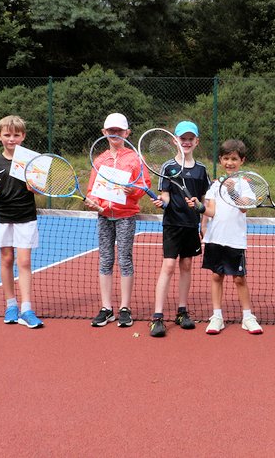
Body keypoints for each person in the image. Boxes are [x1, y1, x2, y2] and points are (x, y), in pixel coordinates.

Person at [85, 113, 151, 328]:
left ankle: (124, 307)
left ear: (127, 133)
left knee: (125, 259)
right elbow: (92, 189)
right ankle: (106, 308)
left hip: (125, 216)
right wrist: (93, 201)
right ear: (104, 133)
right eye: (111, 131)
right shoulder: (100, 160)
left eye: (119, 131)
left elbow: (144, 185)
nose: (115, 134)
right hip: (104, 216)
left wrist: (133, 190)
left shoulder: (135, 159)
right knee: (105, 260)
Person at [150, 120, 210, 337]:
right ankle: (157, 317)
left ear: (196, 142)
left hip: (191, 226)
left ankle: (182, 311)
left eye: (190, 139)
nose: (186, 142)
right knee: (168, 267)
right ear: (174, 141)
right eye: (182, 138)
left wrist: (203, 226)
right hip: (172, 225)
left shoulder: (202, 170)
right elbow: (165, 195)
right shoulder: (168, 167)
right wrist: (162, 203)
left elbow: (205, 199)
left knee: (186, 267)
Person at [0, 115, 43, 328]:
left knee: (24, 262)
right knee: (6, 259)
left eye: (16, 135)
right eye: (7, 135)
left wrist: (33, 185)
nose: (12, 139)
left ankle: (27, 308)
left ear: (23, 136)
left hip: (26, 216)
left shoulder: (33, 161)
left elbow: (37, 190)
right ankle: (11, 305)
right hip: (3, 216)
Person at [200, 139, 263, 335]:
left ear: (242, 160)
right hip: (214, 238)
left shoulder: (245, 183)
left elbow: (244, 207)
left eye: (234, 159)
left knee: (239, 279)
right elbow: (210, 211)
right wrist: (199, 210)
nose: (230, 162)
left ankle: (247, 317)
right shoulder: (215, 184)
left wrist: (231, 189)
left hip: (235, 239)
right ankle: (217, 316)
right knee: (216, 276)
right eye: (226, 158)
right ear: (220, 160)